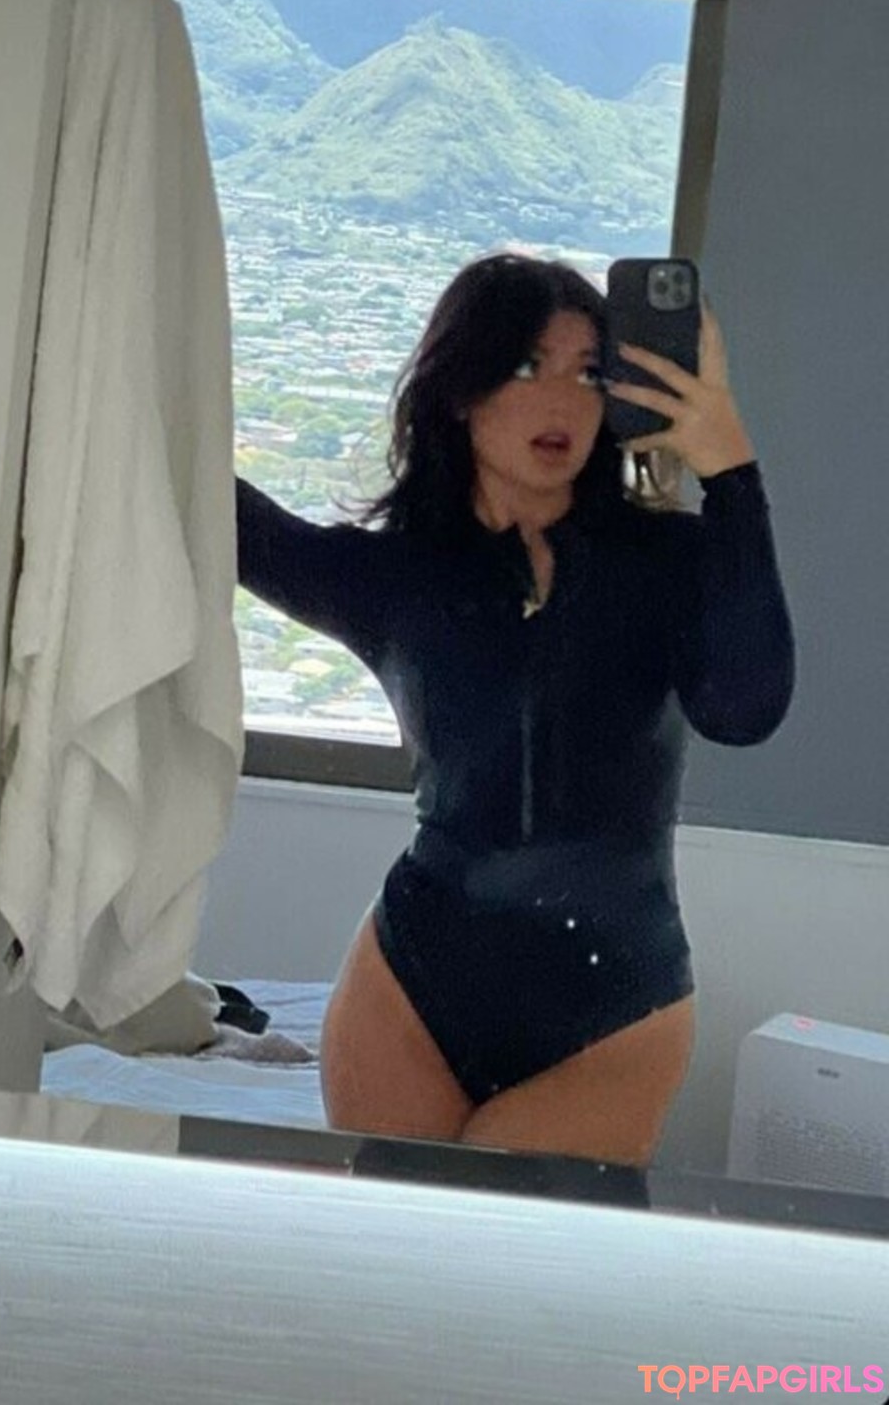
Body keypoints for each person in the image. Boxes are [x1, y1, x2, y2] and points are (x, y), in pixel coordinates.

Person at [235, 253, 794, 1166]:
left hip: (616, 1008)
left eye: (590, 372)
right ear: (462, 389)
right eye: (530, 366)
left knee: (506, 1243)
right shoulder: (396, 577)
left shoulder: (668, 561)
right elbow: (228, 521)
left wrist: (730, 466)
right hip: (410, 990)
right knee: (397, 1245)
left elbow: (746, 708)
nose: (564, 400)